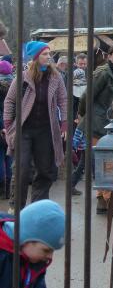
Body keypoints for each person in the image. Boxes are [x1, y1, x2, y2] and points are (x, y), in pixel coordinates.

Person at [3, 42, 67, 206]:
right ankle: (16, 208)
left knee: (44, 170)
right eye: (45, 54)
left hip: (46, 130)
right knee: (22, 170)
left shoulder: (55, 77)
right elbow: (10, 101)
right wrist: (8, 124)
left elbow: (63, 100)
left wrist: (65, 124)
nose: (49, 57)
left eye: (49, 54)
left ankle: (39, 208)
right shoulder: (23, 77)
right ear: (36, 57)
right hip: (24, 130)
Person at [76, 43, 113, 211]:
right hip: (97, 124)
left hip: (109, 125)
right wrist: (84, 116)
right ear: (109, 56)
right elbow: (86, 96)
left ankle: (103, 201)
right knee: (105, 161)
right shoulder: (104, 73)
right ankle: (108, 199)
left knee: (105, 161)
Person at [0, 62, 13, 199]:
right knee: (9, 157)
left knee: (0, 156)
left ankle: (1, 187)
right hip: (12, 127)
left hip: (2, 127)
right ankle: (9, 190)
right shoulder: (16, 85)